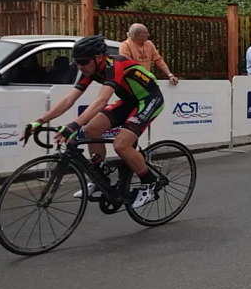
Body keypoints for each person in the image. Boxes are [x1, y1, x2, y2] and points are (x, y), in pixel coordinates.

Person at [20, 35, 164, 208]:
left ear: (98, 57)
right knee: (91, 129)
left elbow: (101, 100)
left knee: (121, 145)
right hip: (129, 101)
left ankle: (149, 183)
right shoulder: (91, 69)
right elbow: (69, 100)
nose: (79, 66)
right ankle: (100, 177)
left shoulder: (115, 65)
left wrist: (74, 124)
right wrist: (39, 121)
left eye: (83, 62)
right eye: (77, 62)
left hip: (149, 99)